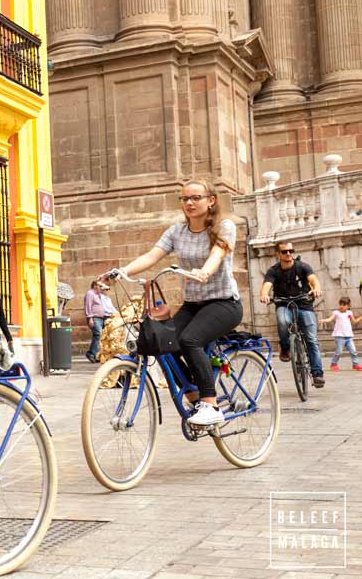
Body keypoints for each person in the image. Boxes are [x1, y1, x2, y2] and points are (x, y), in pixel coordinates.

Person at [103, 179, 242, 426]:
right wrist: (122, 271)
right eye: (185, 198)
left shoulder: (224, 226)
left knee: (190, 339)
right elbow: (152, 255)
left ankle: (210, 405)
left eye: (195, 198)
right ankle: (194, 395)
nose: (189, 203)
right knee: (164, 343)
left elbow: (218, 254)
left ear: (211, 201)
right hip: (193, 304)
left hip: (224, 303)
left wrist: (205, 272)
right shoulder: (177, 231)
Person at [259, 241, 325, 387]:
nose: (288, 254)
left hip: (304, 304)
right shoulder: (273, 271)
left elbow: (314, 281)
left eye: (290, 251)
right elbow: (266, 286)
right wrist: (264, 295)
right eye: (284, 252)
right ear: (278, 254)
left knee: (312, 339)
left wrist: (316, 289)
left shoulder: (303, 266)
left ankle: (317, 373)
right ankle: (285, 347)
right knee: (283, 321)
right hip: (283, 304)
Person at [320, 296, 361, 372]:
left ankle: (355, 364)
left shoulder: (349, 313)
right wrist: (323, 320)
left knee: (353, 351)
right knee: (338, 352)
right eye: (340, 304)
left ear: (348, 306)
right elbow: (330, 319)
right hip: (339, 336)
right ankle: (334, 364)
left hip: (349, 336)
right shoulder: (336, 313)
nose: (341, 306)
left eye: (344, 305)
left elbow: (354, 322)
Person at [83, 280, 112, 363]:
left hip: (103, 317)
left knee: (102, 336)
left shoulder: (99, 294)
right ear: (95, 285)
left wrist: (104, 290)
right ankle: (91, 353)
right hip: (95, 318)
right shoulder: (90, 293)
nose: (101, 287)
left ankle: (97, 355)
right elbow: (88, 306)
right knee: (98, 334)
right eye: (99, 285)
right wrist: (90, 318)